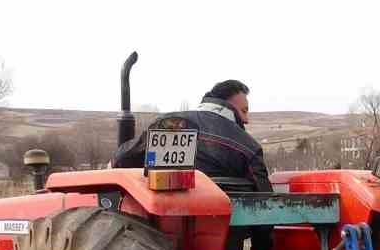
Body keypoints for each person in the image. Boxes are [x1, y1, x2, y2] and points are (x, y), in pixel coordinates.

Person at [111, 79, 272, 194]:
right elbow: (265, 203)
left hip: (155, 228)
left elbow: (121, 160)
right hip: (225, 229)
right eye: (244, 111)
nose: (246, 119)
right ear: (228, 106)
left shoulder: (166, 124)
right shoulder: (249, 147)